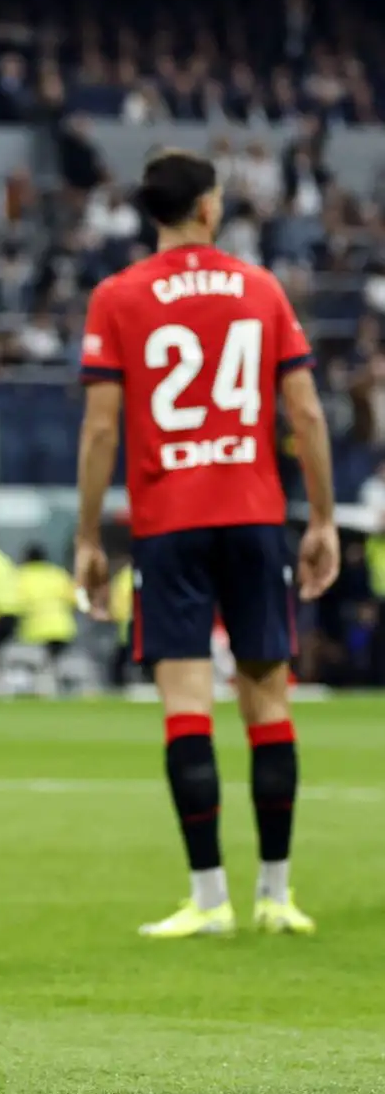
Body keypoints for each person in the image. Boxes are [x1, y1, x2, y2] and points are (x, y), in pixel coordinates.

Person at [74, 148, 337, 940]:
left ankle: (208, 897)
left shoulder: (117, 296)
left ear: (152, 212)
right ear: (210, 209)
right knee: (268, 700)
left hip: (170, 522)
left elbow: (100, 427)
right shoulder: (260, 288)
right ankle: (277, 894)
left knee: (187, 706)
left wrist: (89, 536)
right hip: (254, 514)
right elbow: (308, 411)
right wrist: (320, 518)